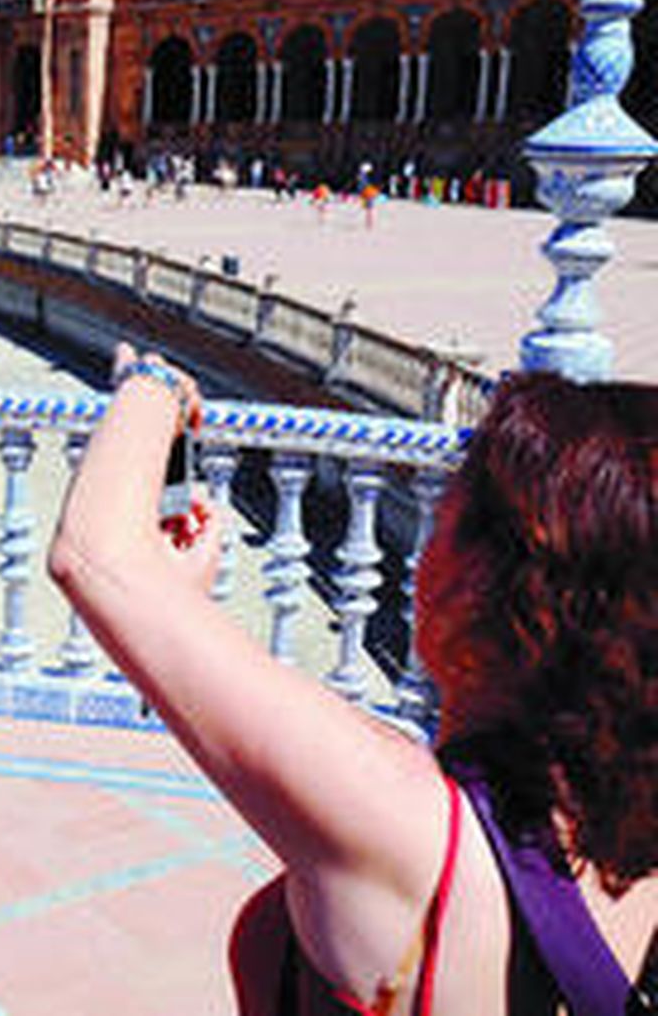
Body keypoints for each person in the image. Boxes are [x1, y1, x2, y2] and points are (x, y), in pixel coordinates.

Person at [49, 355, 656, 1014]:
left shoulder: (406, 824)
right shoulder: (627, 818)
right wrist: (181, 611)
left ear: (487, 584)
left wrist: (153, 384)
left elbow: (95, 557)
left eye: (445, 515)